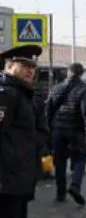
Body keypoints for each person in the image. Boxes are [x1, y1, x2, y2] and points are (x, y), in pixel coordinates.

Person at [0, 45, 49, 218]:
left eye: (32, 67)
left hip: (20, 175)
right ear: (9, 66)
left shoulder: (24, 93)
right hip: (7, 179)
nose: (30, 71)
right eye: (24, 65)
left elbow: (35, 131)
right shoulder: (5, 93)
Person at [45, 62, 86, 205]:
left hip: (58, 129)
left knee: (59, 160)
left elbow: (49, 110)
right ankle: (75, 186)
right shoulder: (84, 89)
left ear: (68, 72)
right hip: (76, 129)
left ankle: (60, 193)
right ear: (81, 73)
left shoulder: (56, 87)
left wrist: (50, 129)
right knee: (80, 158)